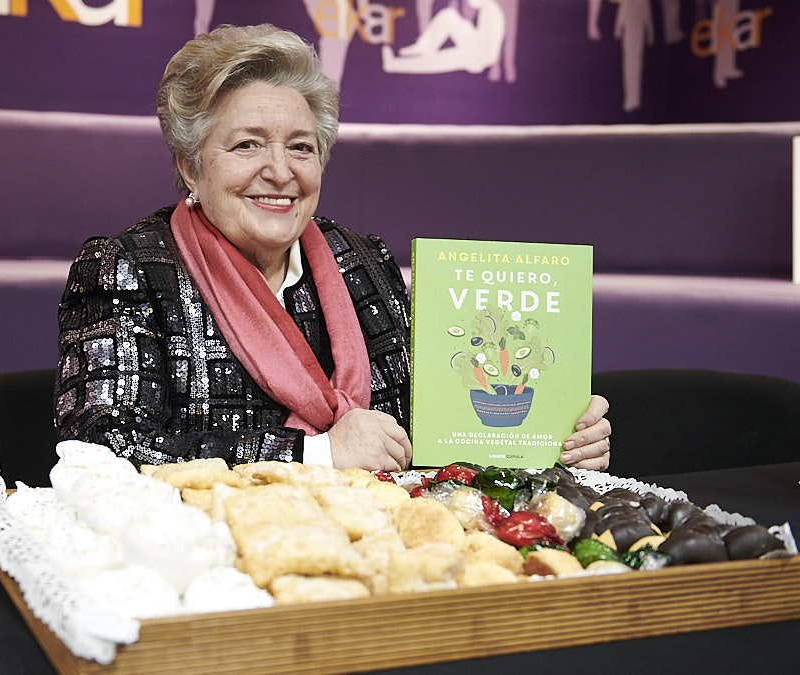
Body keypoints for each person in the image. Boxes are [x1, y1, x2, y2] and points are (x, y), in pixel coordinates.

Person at [54, 24, 612, 473]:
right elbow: (102, 454)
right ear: (189, 165)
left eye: (301, 147)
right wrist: (318, 455)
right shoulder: (127, 267)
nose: (279, 171)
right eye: (247, 145)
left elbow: (432, 430)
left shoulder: (363, 260)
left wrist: (551, 438)